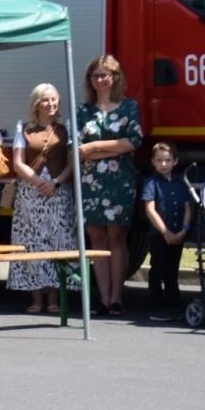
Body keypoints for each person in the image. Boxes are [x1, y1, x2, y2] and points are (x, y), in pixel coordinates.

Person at [77, 54, 142, 316]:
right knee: (97, 238)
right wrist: (111, 150)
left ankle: (117, 298)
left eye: (105, 74)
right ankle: (103, 299)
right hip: (92, 181)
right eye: (95, 75)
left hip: (120, 181)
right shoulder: (84, 110)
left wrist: (95, 147)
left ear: (115, 77)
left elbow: (134, 141)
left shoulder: (129, 107)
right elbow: (80, 150)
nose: (100, 79)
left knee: (117, 237)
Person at [8, 84, 78, 315]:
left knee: (58, 241)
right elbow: (18, 163)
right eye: (45, 100)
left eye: (54, 99)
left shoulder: (66, 127)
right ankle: (35, 296)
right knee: (32, 242)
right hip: (31, 191)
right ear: (36, 104)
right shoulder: (24, 128)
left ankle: (54, 296)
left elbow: (72, 162)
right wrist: (39, 182)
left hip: (58, 191)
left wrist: (55, 182)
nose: (51, 104)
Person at [142, 141, 191, 322]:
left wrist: (184, 230)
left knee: (172, 272)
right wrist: (166, 232)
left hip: (178, 234)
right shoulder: (151, 183)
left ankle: (173, 306)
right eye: (159, 160)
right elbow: (150, 209)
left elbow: (187, 207)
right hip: (159, 235)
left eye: (167, 160)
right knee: (157, 270)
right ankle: (156, 307)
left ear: (175, 161)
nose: (163, 164)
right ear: (153, 162)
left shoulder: (181, 182)